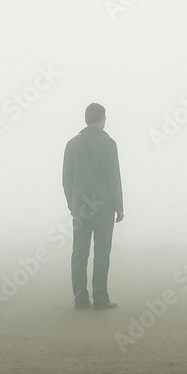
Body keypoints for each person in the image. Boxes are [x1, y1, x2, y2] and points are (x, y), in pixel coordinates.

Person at [62, 103, 124, 310]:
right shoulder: (109, 144)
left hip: (80, 206)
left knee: (79, 252)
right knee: (101, 252)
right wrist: (119, 206)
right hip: (104, 206)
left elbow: (67, 178)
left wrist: (72, 203)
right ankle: (100, 297)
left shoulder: (72, 144)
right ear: (101, 119)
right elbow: (113, 177)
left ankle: (80, 298)